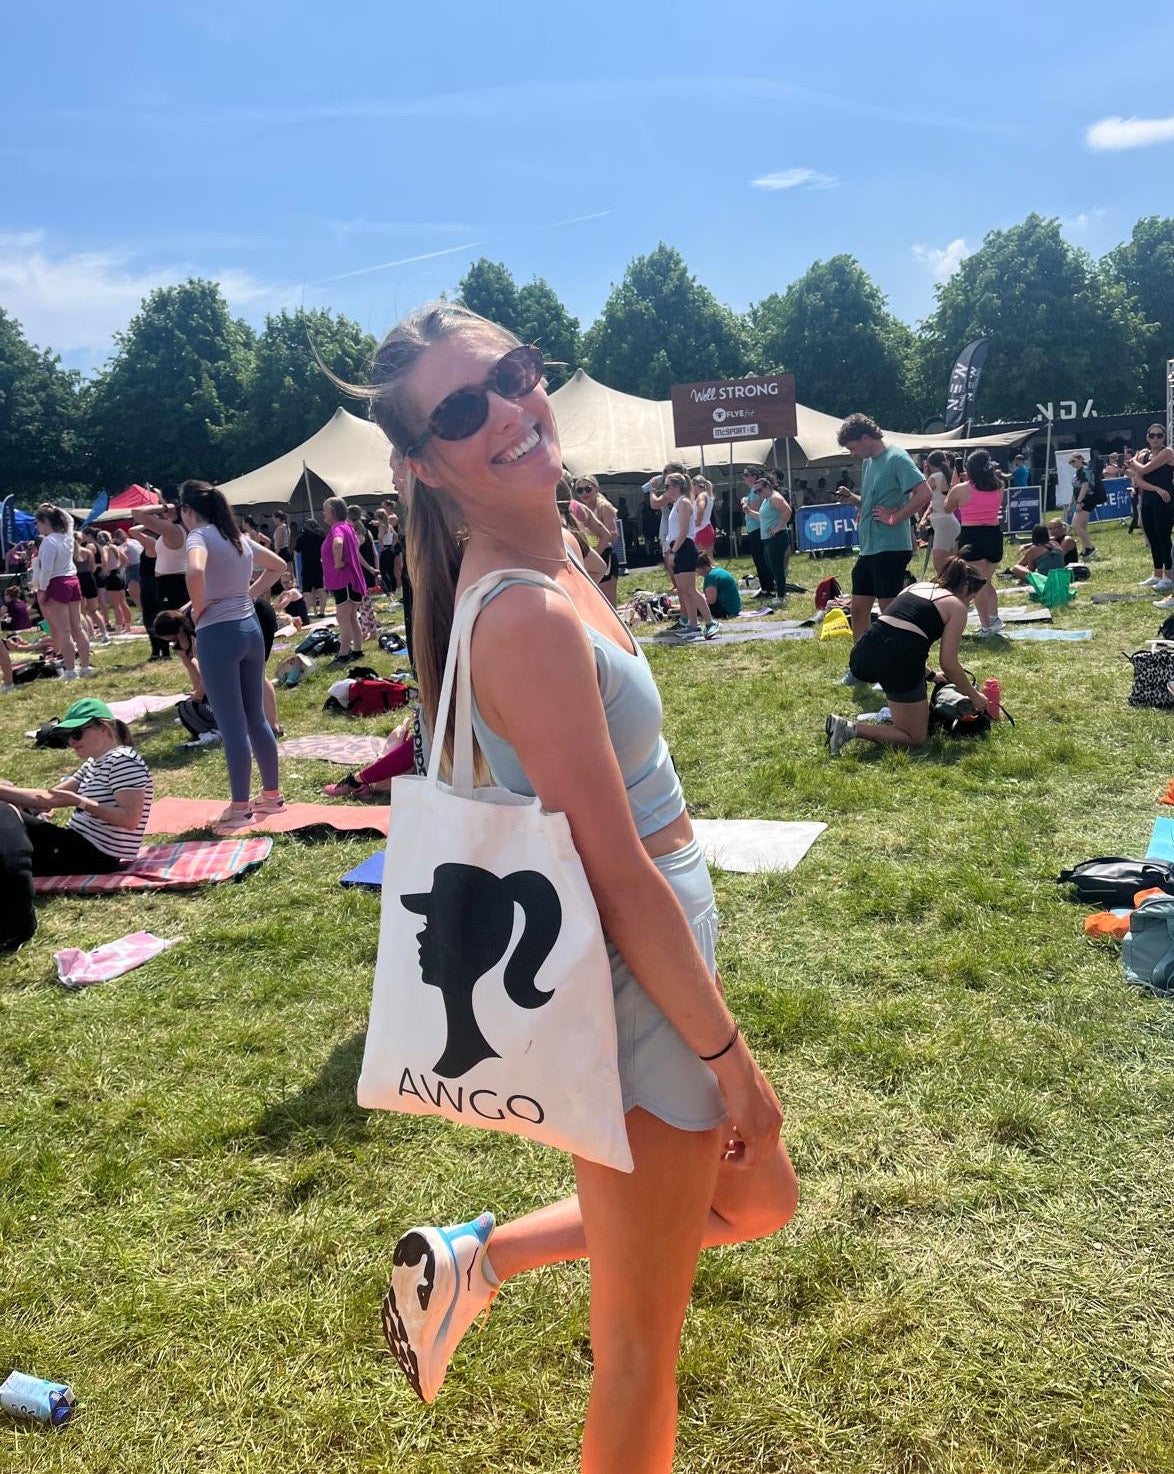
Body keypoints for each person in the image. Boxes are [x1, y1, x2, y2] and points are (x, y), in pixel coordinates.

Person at [350, 302, 796, 1471]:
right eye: (460, 408)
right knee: (640, 1355)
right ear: (422, 465)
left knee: (759, 1206)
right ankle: (479, 1259)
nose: (504, 408)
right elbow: (617, 870)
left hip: (651, 963)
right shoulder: (527, 613)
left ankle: (476, 1257)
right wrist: (729, 1060)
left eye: (512, 374)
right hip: (635, 987)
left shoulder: (553, 559)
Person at [178, 480, 289, 831]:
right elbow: (278, 565)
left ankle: (240, 806)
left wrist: (198, 609)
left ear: (188, 510)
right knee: (255, 716)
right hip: (249, 629)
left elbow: (195, 571)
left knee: (232, 725)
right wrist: (248, 592)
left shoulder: (198, 537)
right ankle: (271, 796)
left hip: (218, 633)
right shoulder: (236, 536)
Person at [824, 556, 990, 754]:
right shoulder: (956, 606)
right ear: (965, 588)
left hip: (864, 651)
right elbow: (948, 663)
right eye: (971, 598)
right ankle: (849, 729)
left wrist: (930, 675)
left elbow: (901, 633)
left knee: (902, 668)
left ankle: (897, 713)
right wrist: (974, 696)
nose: (969, 603)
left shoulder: (914, 587)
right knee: (915, 737)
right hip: (898, 659)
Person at [0, 698, 153, 872]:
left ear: (104, 728)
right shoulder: (95, 762)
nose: (71, 742)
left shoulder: (123, 761)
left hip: (92, 856)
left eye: (77, 733)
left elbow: (130, 819)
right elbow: (47, 797)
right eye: (67, 735)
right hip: (77, 848)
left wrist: (80, 802)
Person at [834, 415, 933, 680]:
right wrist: (855, 500)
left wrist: (896, 516)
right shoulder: (869, 462)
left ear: (866, 438)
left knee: (890, 613)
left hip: (889, 547)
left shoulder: (897, 458)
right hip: (869, 548)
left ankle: (894, 669)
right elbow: (871, 500)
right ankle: (861, 667)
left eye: (853, 447)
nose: (852, 453)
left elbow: (925, 493)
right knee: (858, 609)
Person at [946, 449, 1005, 636]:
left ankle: (986, 626)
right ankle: (994, 619)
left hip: (972, 535)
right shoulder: (999, 485)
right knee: (986, 581)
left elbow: (948, 508)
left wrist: (955, 483)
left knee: (977, 585)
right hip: (994, 534)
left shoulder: (961, 489)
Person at [32, 504, 93, 680]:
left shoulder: (49, 541)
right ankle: (85, 666)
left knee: (64, 631)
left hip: (56, 582)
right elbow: (70, 520)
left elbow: (47, 570)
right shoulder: (66, 537)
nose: (36, 526)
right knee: (78, 627)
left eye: (37, 522)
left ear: (45, 521)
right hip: (73, 581)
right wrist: (55, 508)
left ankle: (70, 670)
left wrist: (42, 590)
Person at [665, 473, 712, 638]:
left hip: (684, 547)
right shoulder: (678, 503)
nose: (666, 490)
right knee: (684, 590)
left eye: (668, 486)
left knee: (691, 589)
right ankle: (693, 624)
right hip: (678, 546)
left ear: (677, 487)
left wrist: (673, 551)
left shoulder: (684, 502)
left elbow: (684, 530)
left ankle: (710, 622)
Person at [1129, 425, 1174, 596]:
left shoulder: (1167, 453)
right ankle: (1157, 573)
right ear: (1147, 437)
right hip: (1150, 497)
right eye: (1152, 435)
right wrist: (1155, 488)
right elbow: (1138, 479)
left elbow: (1144, 469)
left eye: (1159, 435)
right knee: (1152, 535)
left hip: (1165, 499)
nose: (1156, 439)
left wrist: (1133, 461)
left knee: (1163, 536)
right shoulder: (1144, 454)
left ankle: (1169, 576)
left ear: (1163, 438)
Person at [322, 497, 366, 661]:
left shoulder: (337, 528)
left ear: (333, 512)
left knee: (343, 618)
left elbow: (338, 543)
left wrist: (338, 562)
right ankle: (357, 650)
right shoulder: (348, 527)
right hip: (351, 578)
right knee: (352, 616)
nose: (323, 514)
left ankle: (343, 653)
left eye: (325, 510)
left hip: (343, 580)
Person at [573, 475, 621, 606]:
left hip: (604, 553)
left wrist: (596, 553)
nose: (584, 493)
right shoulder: (581, 509)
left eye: (588, 489)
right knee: (595, 599)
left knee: (608, 600)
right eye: (580, 490)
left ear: (596, 489)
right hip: (590, 554)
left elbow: (613, 535)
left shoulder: (604, 507)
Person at [755, 472, 792, 612]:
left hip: (777, 537)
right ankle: (780, 591)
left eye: (760, 490)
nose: (758, 493)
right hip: (768, 538)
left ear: (767, 487)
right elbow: (762, 518)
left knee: (777, 567)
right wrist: (749, 512)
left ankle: (781, 595)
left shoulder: (775, 497)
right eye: (756, 491)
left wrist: (778, 527)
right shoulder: (766, 499)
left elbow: (787, 510)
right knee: (770, 567)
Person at [739, 466, 775, 598]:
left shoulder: (755, 491)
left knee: (761, 561)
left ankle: (768, 589)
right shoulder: (752, 491)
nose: (744, 478)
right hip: (754, 529)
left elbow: (753, 510)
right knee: (760, 561)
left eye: (746, 475)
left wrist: (745, 506)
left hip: (757, 529)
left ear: (754, 477)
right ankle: (765, 588)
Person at [923, 450, 960, 574]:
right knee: (951, 564)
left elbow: (921, 493)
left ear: (930, 464)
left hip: (943, 523)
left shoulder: (934, 477)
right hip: (949, 521)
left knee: (939, 565)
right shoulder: (948, 476)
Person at [295, 517, 328, 618]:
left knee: (308, 591)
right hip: (318, 564)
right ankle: (321, 612)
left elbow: (296, 551)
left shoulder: (302, 538)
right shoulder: (321, 536)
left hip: (306, 566)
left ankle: (308, 613)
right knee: (320, 589)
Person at [1067, 455, 1097, 561]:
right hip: (1080, 500)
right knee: (1082, 526)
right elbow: (1075, 490)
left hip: (1086, 500)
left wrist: (1079, 502)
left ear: (1080, 459)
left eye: (1073, 461)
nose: (1072, 464)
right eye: (1070, 462)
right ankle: (1086, 549)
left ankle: (1090, 548)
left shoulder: (1084, 471)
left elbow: (1085, 486)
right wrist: (1071, 505)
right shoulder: (1077, 473)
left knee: (1075, 525)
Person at [697, 551, 741, 619]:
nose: (697, 573)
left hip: (726, 610)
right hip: (733, 609)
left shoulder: (711, 576)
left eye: (697, 570)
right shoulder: (717, 571)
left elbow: (711, 601)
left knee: (693, 609)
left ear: (703, 567)